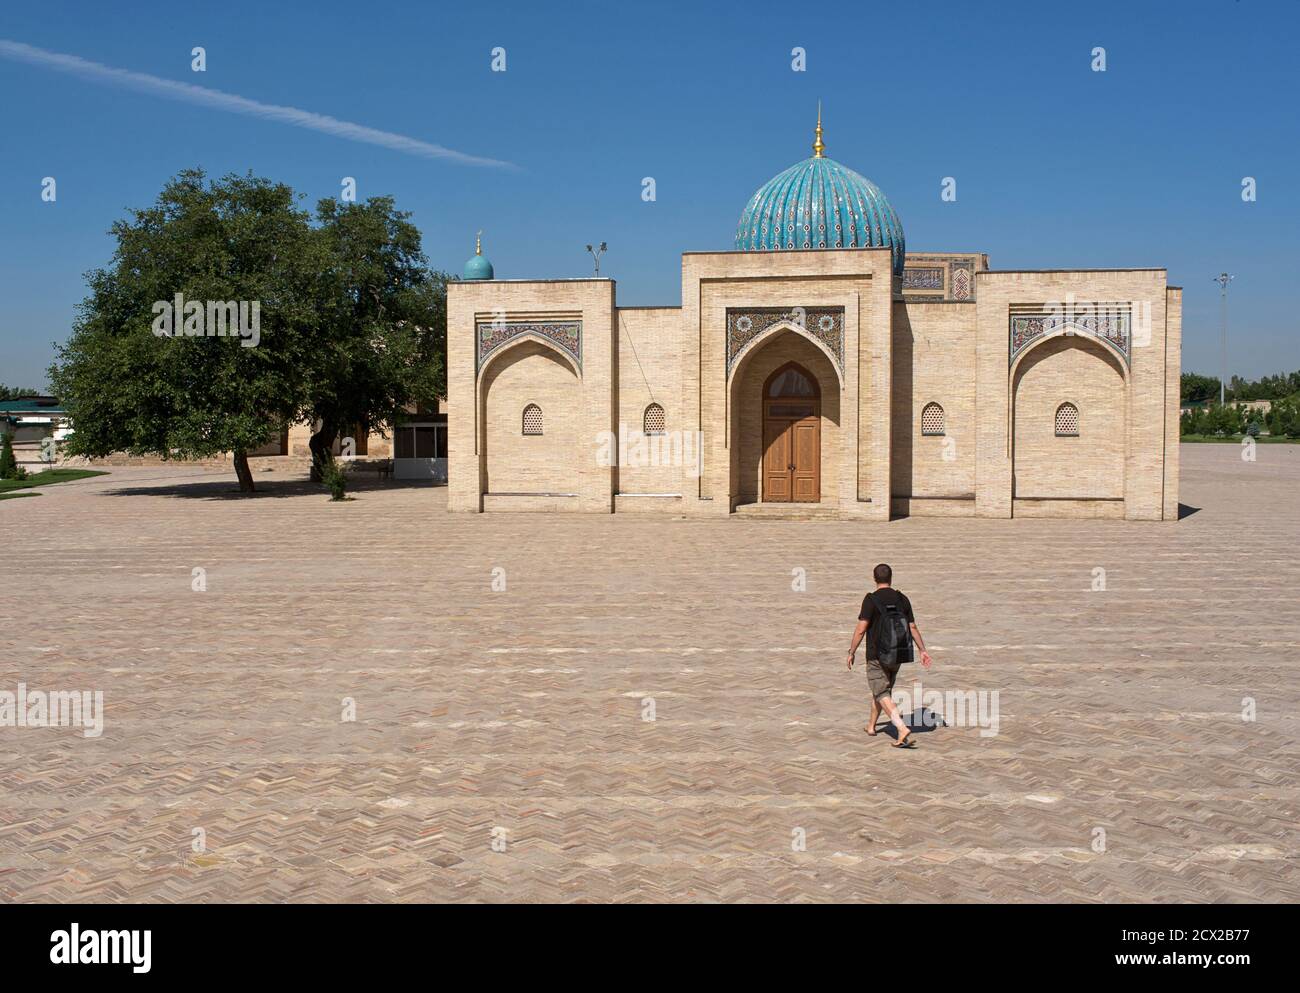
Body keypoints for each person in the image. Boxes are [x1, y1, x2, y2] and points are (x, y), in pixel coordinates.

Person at [845, 563, 932, 747]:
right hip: (897, 654)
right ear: (891, 578)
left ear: (874, 578)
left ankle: (901, 728)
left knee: (881, 691)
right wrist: (922, 650)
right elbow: (912, 627)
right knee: (882, 690)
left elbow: (861, 629)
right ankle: (871, 726)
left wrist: (851, 651)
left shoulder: (871, 599)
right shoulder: (902, 598)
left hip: (877, 655)